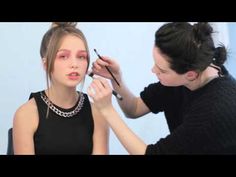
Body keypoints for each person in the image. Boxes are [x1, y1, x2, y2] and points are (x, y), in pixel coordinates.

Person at [88, 22, 236, 154]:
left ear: (190, 75)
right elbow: (134, 109)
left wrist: (107, 110)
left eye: (162, 70)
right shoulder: (192, 68)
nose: (153, 70)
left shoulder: (213, 113)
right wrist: (116, 79)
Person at [13, 22, 109, 155]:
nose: (74, 64)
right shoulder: (26, 114)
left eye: (81, 56)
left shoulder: (97, 113)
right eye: (63, 56)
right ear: (46, 64)